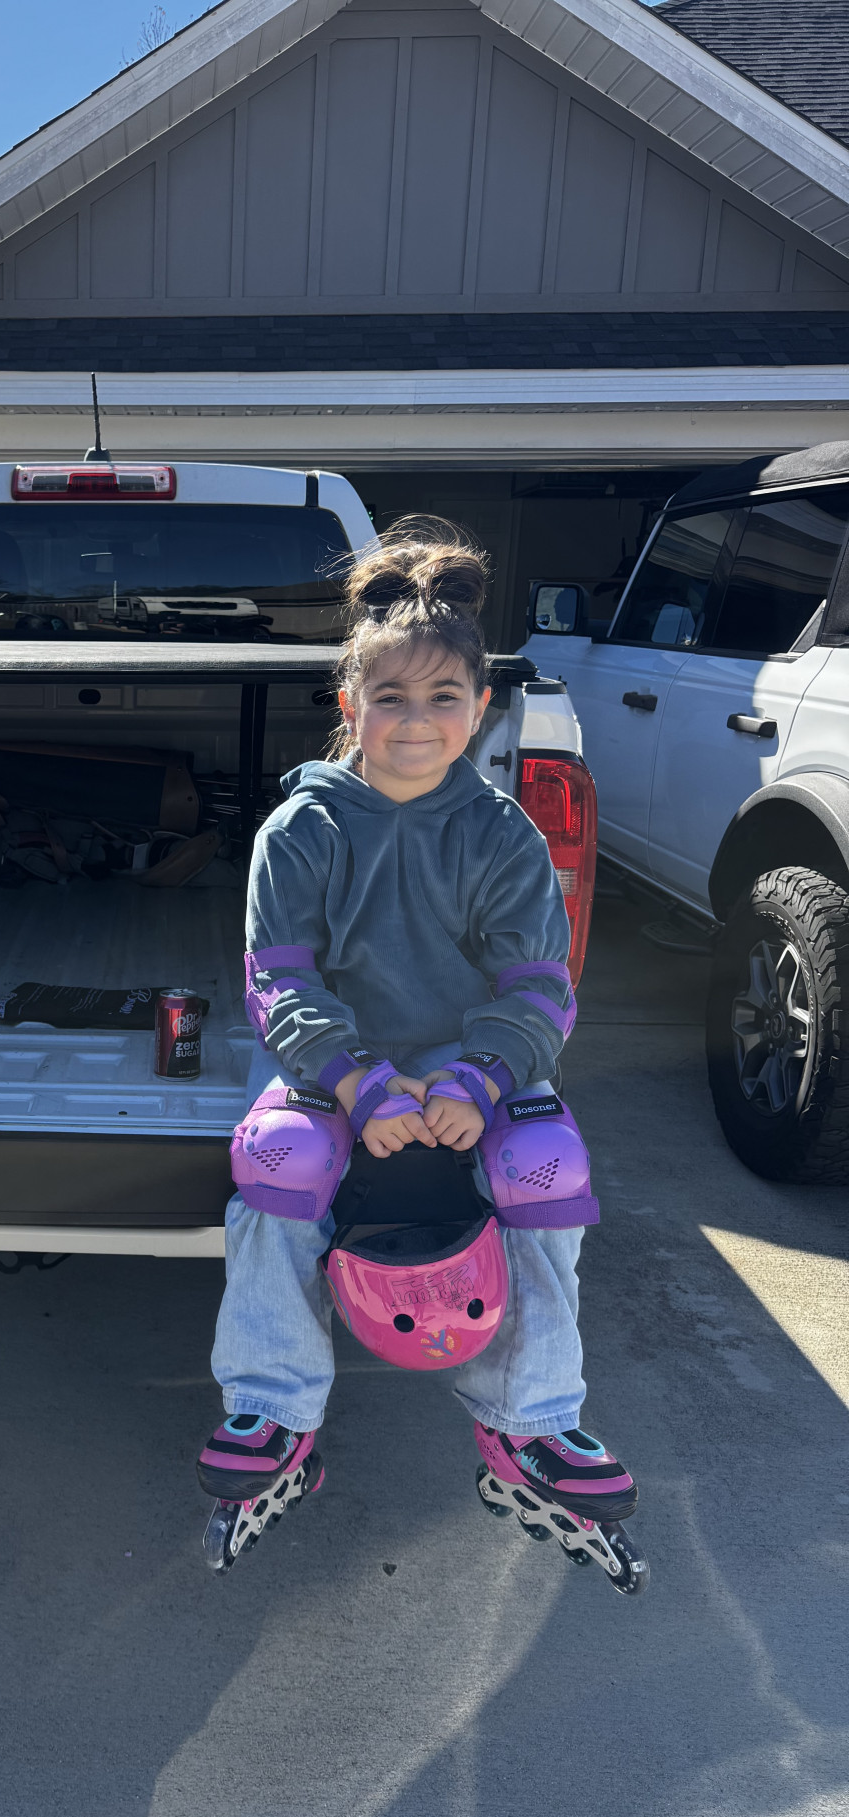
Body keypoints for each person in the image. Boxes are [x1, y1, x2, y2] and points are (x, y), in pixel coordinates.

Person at [197, 522, 639, 1582]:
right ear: (349, 705)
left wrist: (478, 1080)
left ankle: (533, 1420)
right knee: (277, 1168)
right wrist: (358, 1082)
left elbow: (537, 986)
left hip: (470, 1071)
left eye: (443, 696)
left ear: (478, 709)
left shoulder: (501, 834)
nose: (415, 719)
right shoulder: (302, 830)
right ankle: (274, 1406)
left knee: (546, 1172)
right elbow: (281, 982)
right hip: (337, 1069)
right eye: (390, 696)